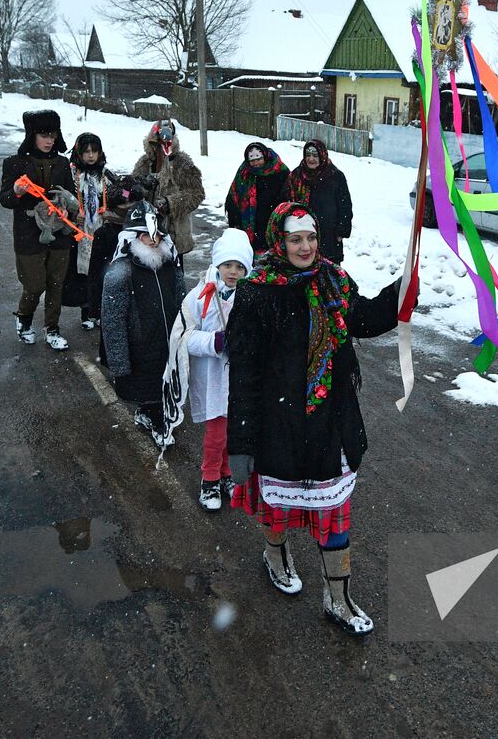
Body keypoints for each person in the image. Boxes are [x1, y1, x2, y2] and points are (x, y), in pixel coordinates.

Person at [226, 202, 408, 637]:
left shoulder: (335, 280)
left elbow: (362, 320)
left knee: (335, 516)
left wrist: (403, 291)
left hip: (331, 423)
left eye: (310, 237)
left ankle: (337, 596)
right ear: (278, 241)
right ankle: (275, 554)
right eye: (295, 239)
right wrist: (241, 443)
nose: (305, 246)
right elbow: (245, 375)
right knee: (278, 507)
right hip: (279, 428)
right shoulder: (256, 293)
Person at [160, 228, 254, 510]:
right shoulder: (199, 297)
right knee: (217, 432)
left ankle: (225, 472)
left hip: (239, 379)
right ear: (217, 264)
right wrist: (216, 341)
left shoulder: (251, 297)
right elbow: (182, 337)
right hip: (212, 378)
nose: (233, 272)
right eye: (228, 265)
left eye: (240, 266)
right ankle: (209, 478)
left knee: (232, 429)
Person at [100, 201, 185, 446]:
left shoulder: (170, 265)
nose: (154, 239)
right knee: (149, 387)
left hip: (169, 339)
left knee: (166, 384)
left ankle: (152, 414)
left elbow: (182, 302)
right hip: (140, 346)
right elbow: (113, 320)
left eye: (157, 234)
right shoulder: (122, 271)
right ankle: (156, 420)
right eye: (147, 234)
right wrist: (119, 361)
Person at [0, 109, 75, 351]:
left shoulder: (63, 163)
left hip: (60, 235)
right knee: (34, 285)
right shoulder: (14, 163)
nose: (49, 140)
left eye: (53, 135)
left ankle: (52, 329)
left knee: (56, 284)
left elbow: (71, 196)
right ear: (32, 135)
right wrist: (17, 192)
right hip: (28, 236)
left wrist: (69, 210)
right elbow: (5, 199)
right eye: (44, 135)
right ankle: (24, 317)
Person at [130, 120, 204, 263]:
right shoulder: (144, 163)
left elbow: (196, 194)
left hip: (174, 234)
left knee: (173, 279)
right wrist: (140, 190)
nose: (160, 149)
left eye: (164, 144)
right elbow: (132, 189)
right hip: (146, 233)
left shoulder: (182, 164)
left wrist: (170, 203)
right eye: (156, 144)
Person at [65, 133, 109, 331]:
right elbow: (64, 201)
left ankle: (99, 310)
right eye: (86, 152)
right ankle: (86, 311)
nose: (91, 156)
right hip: (79, 230)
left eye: (94, 151)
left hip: (100, 228)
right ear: (79, 153)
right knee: (83, 272)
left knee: (101, 270)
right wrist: (74, 216)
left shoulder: (106, 176)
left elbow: (117, 198)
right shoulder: (72, 175)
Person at [283, 139, 353, 264]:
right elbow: (285, 202)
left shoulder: (335, 176)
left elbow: (345, 205)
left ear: (322, 155)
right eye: (308, 155)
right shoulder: (296, 176)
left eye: (315, 155)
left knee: (328, 270)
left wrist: (341, 231)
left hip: (329, 233)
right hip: (302, 232)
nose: (311, 159)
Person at [225, 142, 290, 252]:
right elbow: (234, 196)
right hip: (251, 223)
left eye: (259, 159)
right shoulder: (244, 173)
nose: (256, 164)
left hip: (273, 218)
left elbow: (289, 193)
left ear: (265, 156)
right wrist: (235, 221)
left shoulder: (280, 171)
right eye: (252, 161)